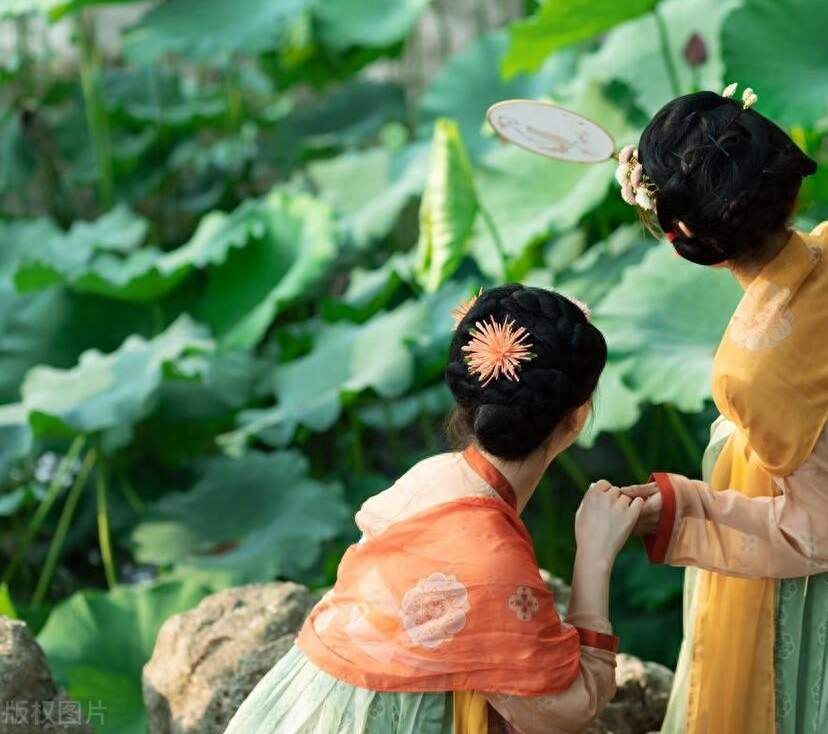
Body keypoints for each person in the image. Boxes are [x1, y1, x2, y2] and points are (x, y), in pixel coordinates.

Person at [615, 87, 828, 734]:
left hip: (821, 577)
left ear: (684, 237)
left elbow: (827, 534)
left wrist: (687, 508)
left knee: (827, 701)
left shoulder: (747, 374)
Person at [224, 284, 643, 734]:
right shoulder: (491, 559)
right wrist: (595, 555)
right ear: (576, 417)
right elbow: (565, 710)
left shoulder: (428, 478)